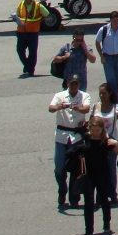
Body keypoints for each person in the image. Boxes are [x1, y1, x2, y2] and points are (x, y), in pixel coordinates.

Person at [76, 116, 118, 235]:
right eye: (93, 130)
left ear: (102, 129)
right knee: (88, 202)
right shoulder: (87, 137)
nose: (95, 133)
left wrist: (116, 144)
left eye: (97, 130)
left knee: (103, 200)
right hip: (89, 175)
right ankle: (88, 232)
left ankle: (106, 223)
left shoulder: (106, 141)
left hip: (103, 174)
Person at [49, 75, 92, 209]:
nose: (73, 86)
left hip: (76, 136)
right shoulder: (60, 95)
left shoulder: (84, 95)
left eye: (76, 84)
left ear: (79, 84)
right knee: (59, 169)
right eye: (71, 83)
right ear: (67, 83)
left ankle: (74, 197)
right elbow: (51, 108)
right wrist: (59, 107)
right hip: (62, 135)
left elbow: (87, 108)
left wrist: (78, 108)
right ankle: (62, 190)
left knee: (76, 168)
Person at [91, 83, 118, 204]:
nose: (101, 95)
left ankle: (112, 194)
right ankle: (100, 196)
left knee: (110, 169)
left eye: (104, 93)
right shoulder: (95, 107)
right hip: (97, 142)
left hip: (111, 141)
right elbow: (91, 123)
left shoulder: (116, 108)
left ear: (110, 93)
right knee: (98, 170)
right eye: (100, 93)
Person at [95, 12, 118, 101]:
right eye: (114, 20)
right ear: (110, 20)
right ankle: (114, 98)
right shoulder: (104, 29)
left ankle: (114, 97)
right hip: (107, 57)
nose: (116, 22)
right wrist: (101, 56)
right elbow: (97, 42)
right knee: (111, 79)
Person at [15, 0, 48, 78]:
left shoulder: (37, 6)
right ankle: (27, 65)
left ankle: (31, 70)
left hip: (33, 33)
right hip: (21, 32)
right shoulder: (21, 4)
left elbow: (46, 14)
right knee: (20, 50)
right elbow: (17, 15)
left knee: (32, 52)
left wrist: (39, 21)